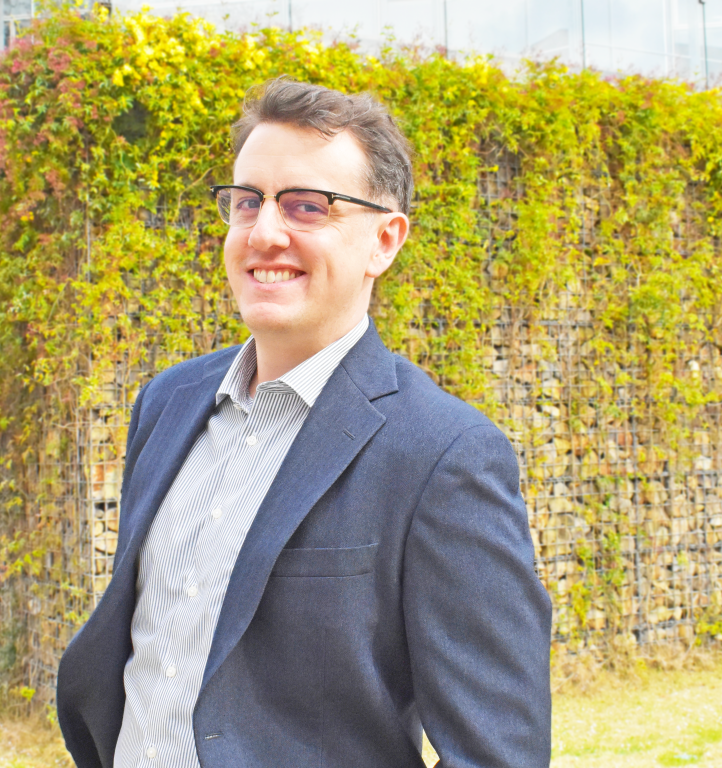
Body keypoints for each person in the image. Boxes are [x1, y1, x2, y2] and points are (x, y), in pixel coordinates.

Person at [56, 78, 551, 768]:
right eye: (247, 201)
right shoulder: (166, 404)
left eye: (307, 206)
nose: (264, 233)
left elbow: (499, 752)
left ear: (384, 241)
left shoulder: (443, 456)